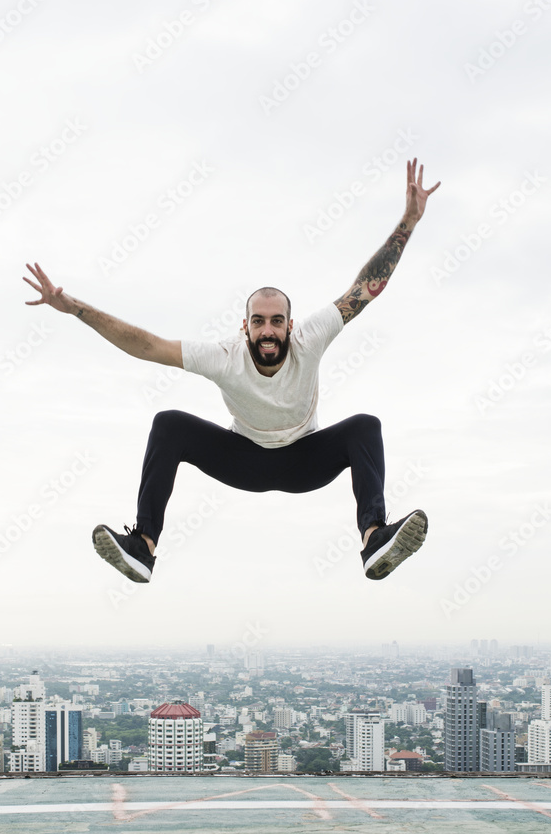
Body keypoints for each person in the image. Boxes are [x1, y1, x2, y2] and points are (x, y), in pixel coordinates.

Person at [23, 157, 440, 584]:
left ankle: (375, 540)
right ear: (245, 327)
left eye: (277, 321)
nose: (268, 330)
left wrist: (408, 221)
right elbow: (146, 346)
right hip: (245, 460)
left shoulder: (310, 338)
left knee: (365, 427)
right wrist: (74, 308)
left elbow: (365, 290)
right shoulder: (224, 356)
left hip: (305, 459)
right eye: (258, 321)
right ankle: (143, 546)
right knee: (168, 425)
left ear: (290, 327)